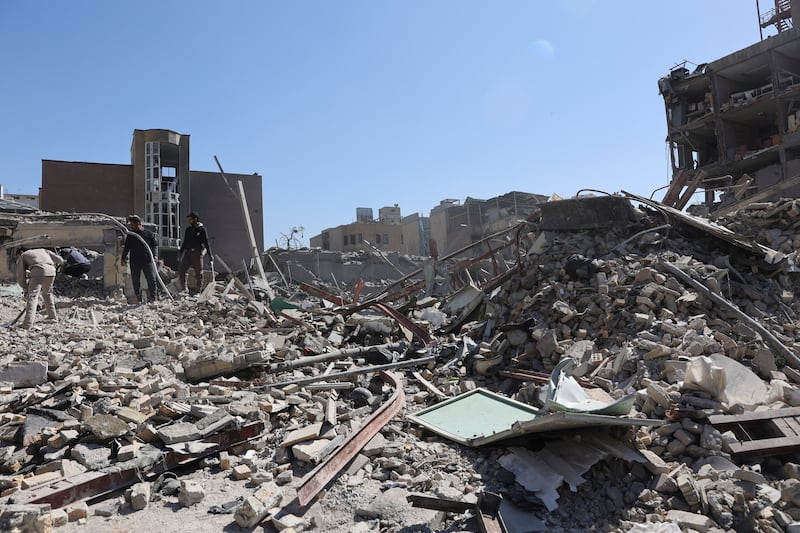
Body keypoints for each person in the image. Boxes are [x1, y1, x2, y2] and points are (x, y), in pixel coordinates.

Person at [16, 247, 64, 330]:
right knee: (47, 294)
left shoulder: (23, 255)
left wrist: (26, 287)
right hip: (51, 272)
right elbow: (60, 260)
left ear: (20, 252)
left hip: (39, 271)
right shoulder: (43, 250)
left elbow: (21, 276)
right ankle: (52, 317)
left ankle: (27, 324)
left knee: (32, 297)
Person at [121, 215, 159, 303]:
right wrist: (123, 258)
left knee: (151, 279)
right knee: (135, 280)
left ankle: (153, 297)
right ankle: (138, 298)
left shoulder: (148, 234)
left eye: (132, 224)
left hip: (147, 260)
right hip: (135, 261)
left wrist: (155, 255)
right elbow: (127, 247)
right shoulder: (131, 235)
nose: (131, 226)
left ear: (138, 224)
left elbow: (154, 245)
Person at [178, 211, 213, 294]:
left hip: (197, 253)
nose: (189, 221)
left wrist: (210, 255)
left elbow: (206, 243)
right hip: (188, 253)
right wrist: (180, 252)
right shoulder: (188, 229)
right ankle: (184, 289)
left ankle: (198, 290)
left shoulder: (202, 230)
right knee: (182, 269)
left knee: (198, 272)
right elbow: (185, 242)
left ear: (195, 219)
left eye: (190, 219)